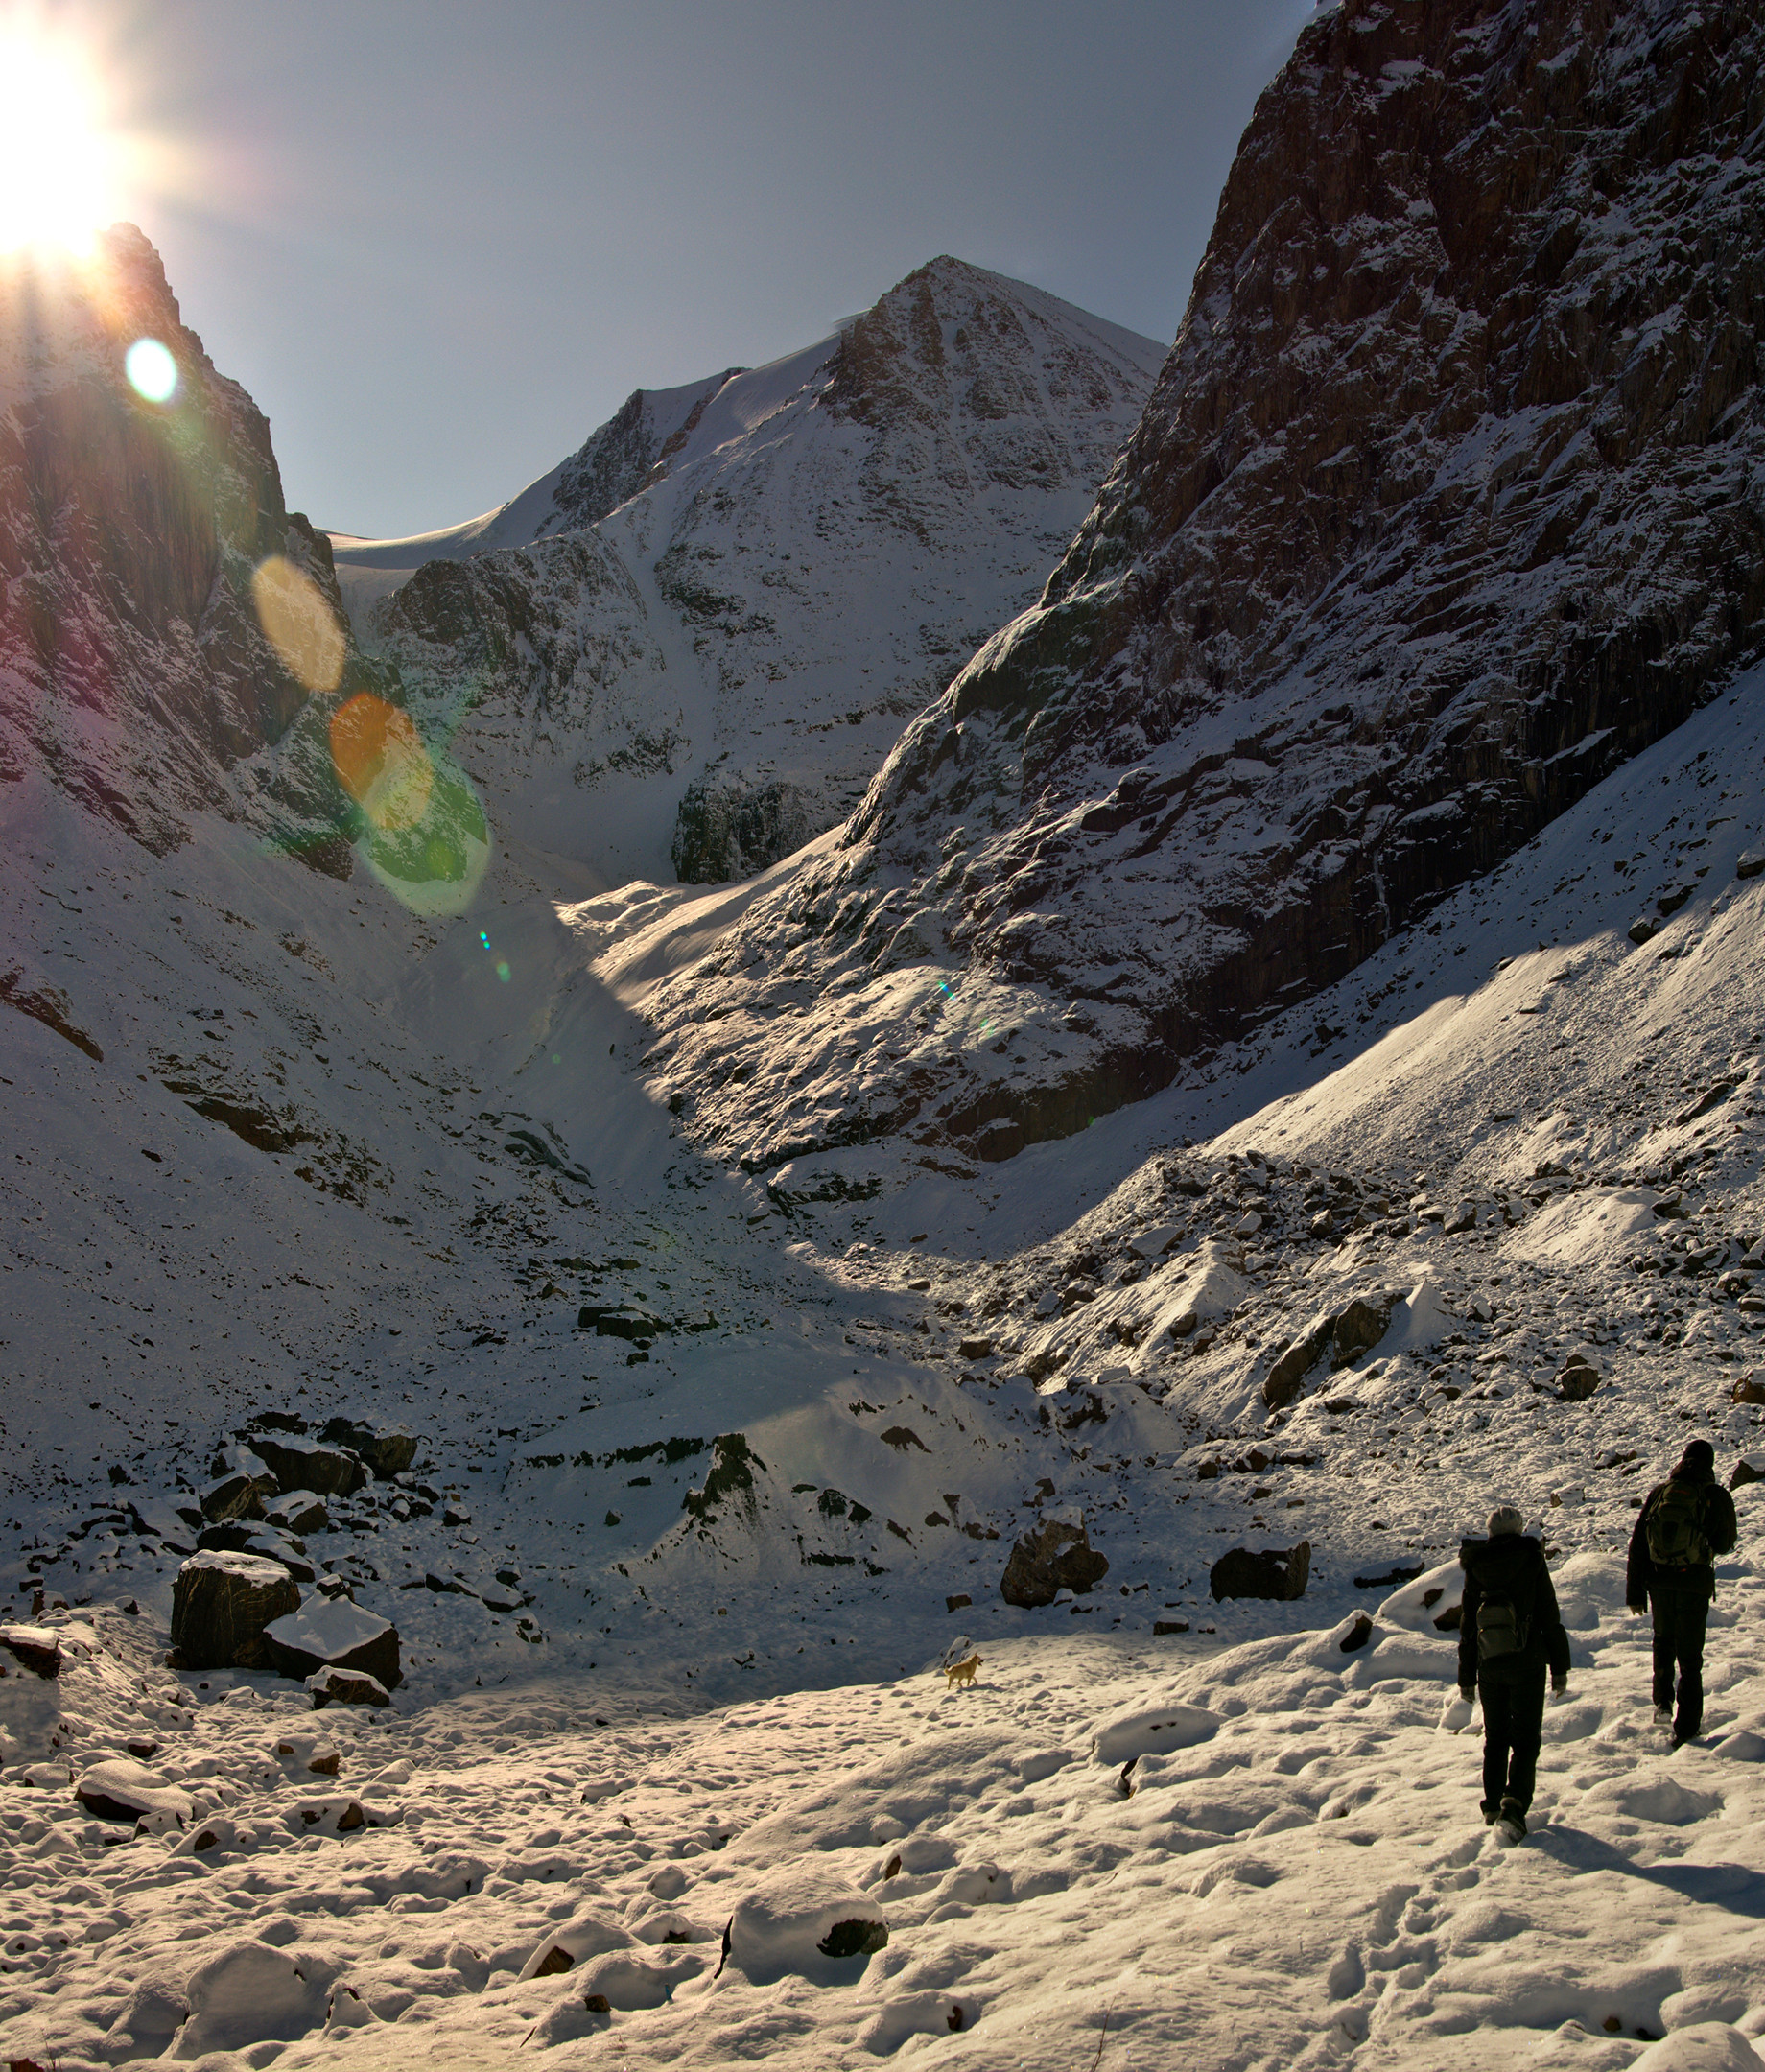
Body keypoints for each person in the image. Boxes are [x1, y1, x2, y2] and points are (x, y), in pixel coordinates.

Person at [1457, 1504, 1571, 1841]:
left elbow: (1467, 1627)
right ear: (1520, 1530)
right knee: (1525, 1740)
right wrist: (1560, 1668)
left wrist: (1466, 1677)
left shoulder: (1475, 1565)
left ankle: (1492, 1804)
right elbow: (1549, 1616)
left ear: (1489, 1533)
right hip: (1527, 1663)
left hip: (1489, 1664)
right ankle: (1514, 1807)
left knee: (1495, 1738)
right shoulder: (1532, 1560)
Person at [1626, 1437, 1739, 1748]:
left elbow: (1637, 1545)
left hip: (1659, 1583)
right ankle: (1687, 1728)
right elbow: (1726, 1541)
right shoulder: (1714, 1495)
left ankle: (1662, 1704)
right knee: (1690, 1659)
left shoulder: (1660, 1493)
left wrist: (1634, 1593)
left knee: (1663, 1641)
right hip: (1694, 1584)